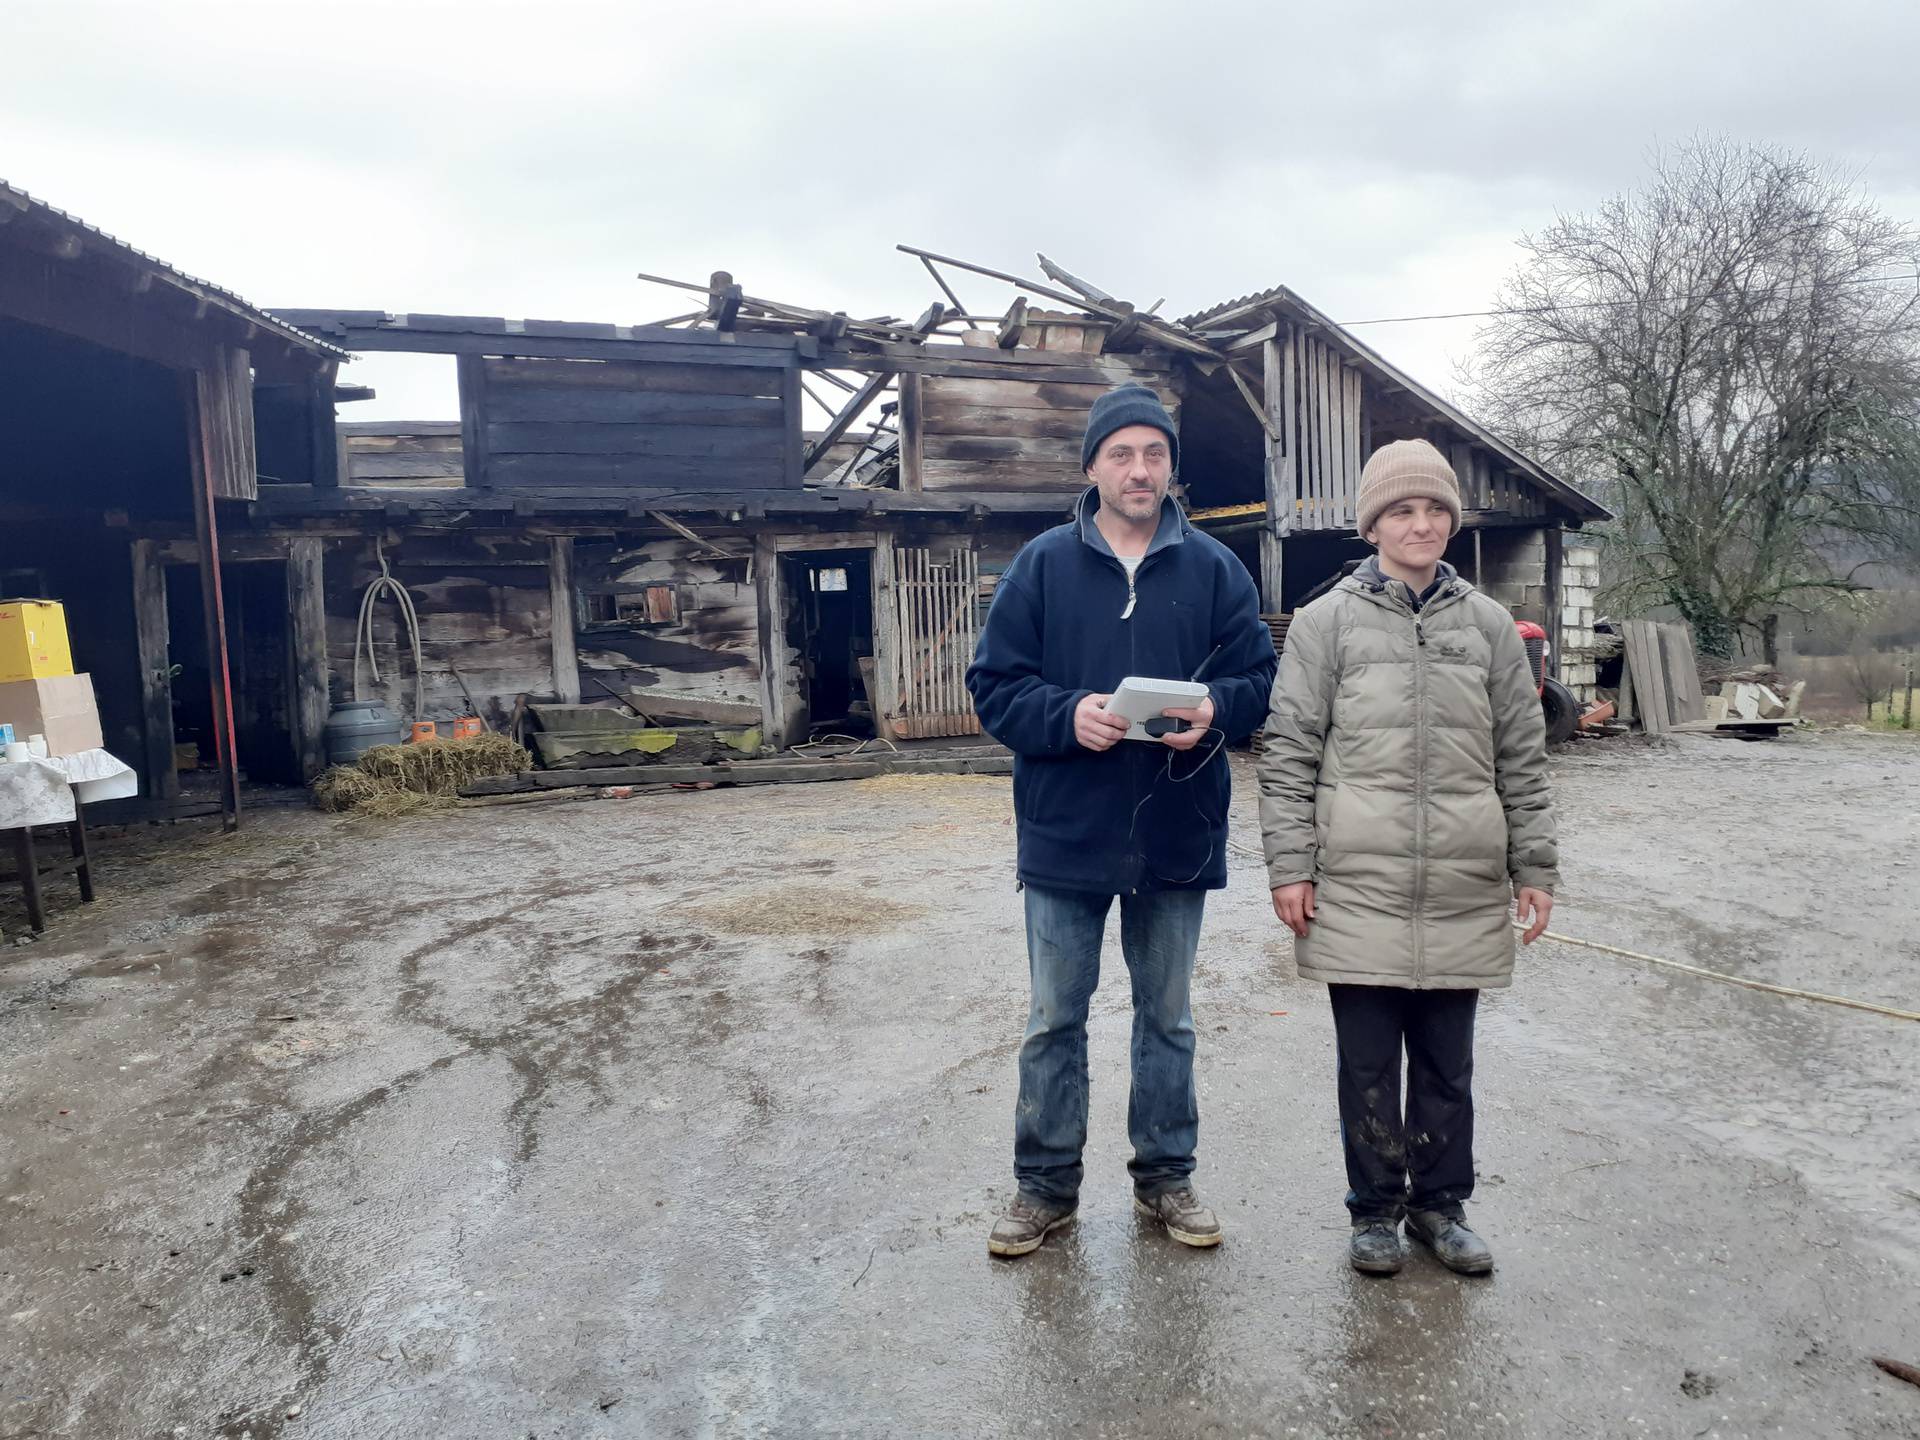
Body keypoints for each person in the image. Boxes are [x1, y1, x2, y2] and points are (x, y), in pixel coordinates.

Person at [966, 383, 1277, 1258]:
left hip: (1178, 830)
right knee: (1054, 1018)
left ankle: (1166, 1180)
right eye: (1122, 454)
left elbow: (1261, 682)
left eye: (1155, 455)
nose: (1140, 470)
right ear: (1093, 466)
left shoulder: (1216, 568)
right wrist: (1069, 717)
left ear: (1172, 468)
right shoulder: (1042, 566)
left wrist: (1219, 708)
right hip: (1066, 830)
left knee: (1167, 1017)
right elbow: (994, 686)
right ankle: (1044, 1189)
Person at [1256, 438, 1559, 1277]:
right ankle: (1374, 1211)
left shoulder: (1491, 627)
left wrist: (1534, 866)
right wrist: (1290, 866)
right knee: (1365, 1065)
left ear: (1452, 522)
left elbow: (1521, 758)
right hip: (1359, 883)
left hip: (1462, 882)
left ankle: (1440, 1206)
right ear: (1373, 525)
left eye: (1433, 510)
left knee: (1446, 1066)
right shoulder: (1325, 626)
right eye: (1402, 510)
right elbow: (1289, 754)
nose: (1420, 524)